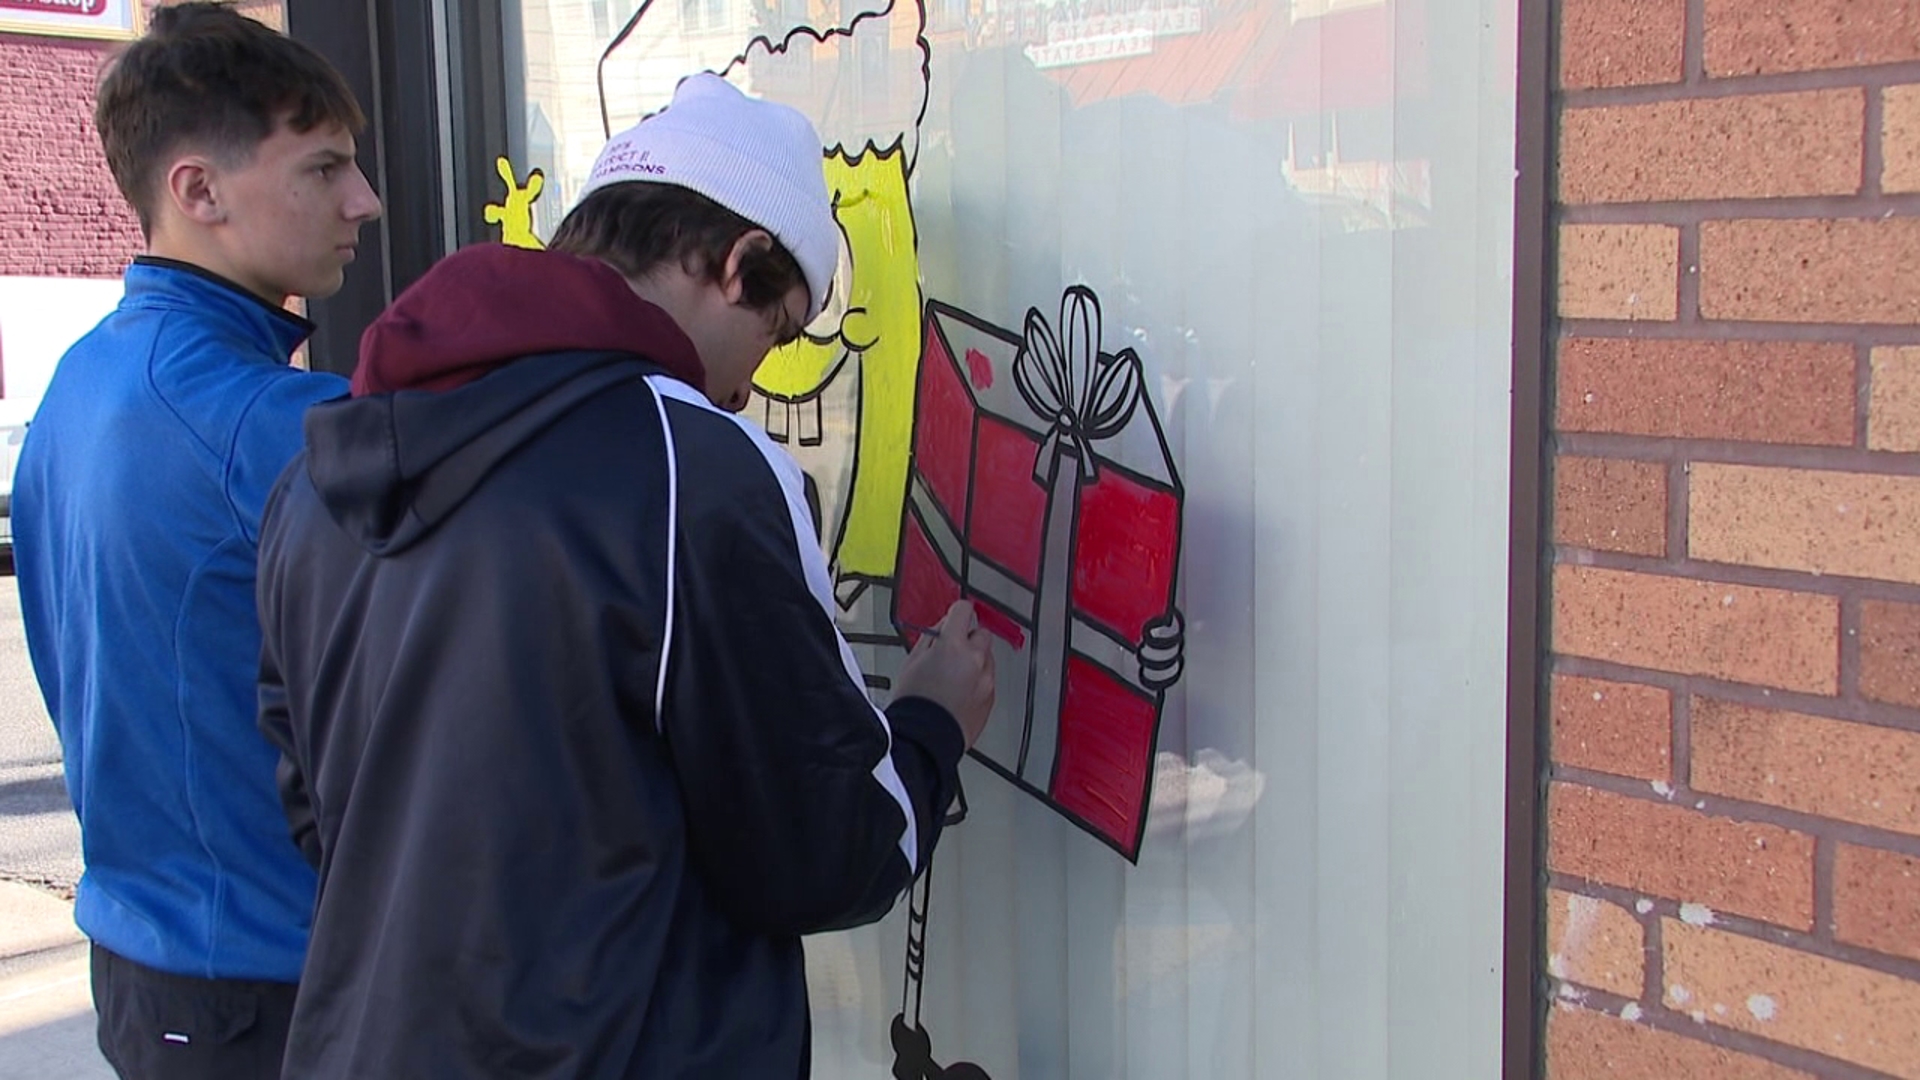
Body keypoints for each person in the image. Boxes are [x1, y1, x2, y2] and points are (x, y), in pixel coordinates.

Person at [255, 72, 995, 1078]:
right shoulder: (694, 466)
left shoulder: (322, 467)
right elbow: (823, 853)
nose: (743, 387)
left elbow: (316, 801)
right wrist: (932, 723)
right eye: (775, 340)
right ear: (739, 263)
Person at [10, 5, 382, 1077]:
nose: (365, 199)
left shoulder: (81, 381)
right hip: (270, 982)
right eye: (324, 169)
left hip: (150, 965)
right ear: (198, 191)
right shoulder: (265, 421)